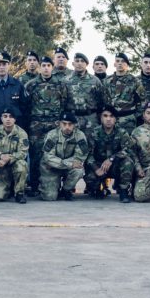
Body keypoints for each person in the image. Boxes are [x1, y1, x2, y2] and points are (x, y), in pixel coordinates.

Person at [25, 55, 67, 195]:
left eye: (49, 66)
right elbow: (26, 105)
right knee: (36, 154)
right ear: (40, 67)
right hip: (36, 124)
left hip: (54, 124)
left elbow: (65, 103)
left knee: (56, 153)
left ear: (52, 67)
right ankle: (35, 185)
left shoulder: (60, 84)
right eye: (43, 66)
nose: (46, 68)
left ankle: (58, 185)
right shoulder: (31, 84)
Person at [84, 106, 133, 202]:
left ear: (115, 119)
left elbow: (128, 149)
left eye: (111, 116)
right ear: (101, 118)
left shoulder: (122, 132)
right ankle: (98, 189)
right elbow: (88, 154)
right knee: (91, 179)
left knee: (128, 162)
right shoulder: (94, 133)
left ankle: (123, 191)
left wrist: (112, 158)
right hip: (99, 165)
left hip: (115, 165)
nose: (108, 119)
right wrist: (96, 168)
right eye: (105, 116)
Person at [39, 112, 88, 201]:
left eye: (70, 124)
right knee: (49, 197)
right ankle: (49, 185)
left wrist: (65, 164)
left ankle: (66, 190)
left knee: (79, 170)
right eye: (64, 124)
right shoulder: (52, 135)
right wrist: (69, 164)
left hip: (63, 166)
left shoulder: (79, 135)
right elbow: (48, 157)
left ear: (74, 125)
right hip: (51, 168)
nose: (67, 127)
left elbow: (80, 157)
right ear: (59, 124)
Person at [0, 108, 28, 203]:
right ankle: (7, 188)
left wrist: (8, 158)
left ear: (15, 119)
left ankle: (19, 193)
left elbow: (23, 152)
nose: (8, 119)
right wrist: (0, 156)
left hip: (14, 164)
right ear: (1, 118)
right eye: (5, 116)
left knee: (22, 165)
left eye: (11, 117)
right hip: (0, 166)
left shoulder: (21, 133)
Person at [103, 53, 146, 134]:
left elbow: (142, 101)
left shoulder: (135, 81)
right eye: (117, 61)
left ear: (127, 65)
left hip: (128, 120)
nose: (120, 63)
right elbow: (104, 100)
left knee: (128, 144)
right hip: (111, 120)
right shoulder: (107, 81)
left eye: (123, 61)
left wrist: (135, 116)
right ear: (114, 64)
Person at [64, 52, 104, 139]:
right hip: (73, 118)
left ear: (87, 64)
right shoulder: (66, 80)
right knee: (72, 143)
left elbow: (101, 101)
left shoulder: (95, 80)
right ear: (73, 63)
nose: (79, 63)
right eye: (77, 61)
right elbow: (62, 101)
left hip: (90, 118)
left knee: (92, 144)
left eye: (82, 61)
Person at [132, 102, 150, 202]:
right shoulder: (136, 132)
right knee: (140, 197)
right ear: (144, 115)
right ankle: (148, 191)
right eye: (148, 113)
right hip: (146, 168)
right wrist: (138, 168)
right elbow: (133, 153)